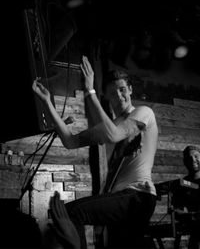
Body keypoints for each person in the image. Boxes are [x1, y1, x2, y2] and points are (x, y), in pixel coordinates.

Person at [32, 55, 158, 249]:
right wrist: (47, 103)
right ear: (106, 96)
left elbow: (115, 134)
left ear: (130, 90)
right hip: (123, 198)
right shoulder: (108, 127)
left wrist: (90, 91)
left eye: (122, 89)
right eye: (112, 92)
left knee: (73, 212)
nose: (119, 96)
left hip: (139, 196)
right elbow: (70, 141)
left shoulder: (144, 112)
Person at [172, 145, 200, 249]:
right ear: (185, 162)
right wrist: (189, 214)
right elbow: (178, 208)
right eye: (189, 158)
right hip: (192, 223)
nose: (193, 160)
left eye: (196, 156)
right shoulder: (182, 184)